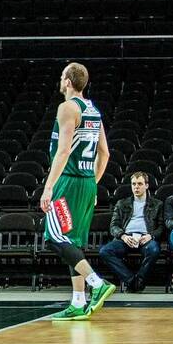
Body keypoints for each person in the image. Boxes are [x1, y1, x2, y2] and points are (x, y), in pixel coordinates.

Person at [38, 62, 115, 321]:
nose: (60, 82)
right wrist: (92, 181)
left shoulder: (67, 107)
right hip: (86, 183)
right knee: (73, 243)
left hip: (68, 181)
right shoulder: (93, 109)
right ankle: (78, 302)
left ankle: (97, 283)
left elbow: (63, 150)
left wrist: (49, 187)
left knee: (54, 237)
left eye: (62, 77)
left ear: (69, 82)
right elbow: (104, 153)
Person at [98, 172, 164, 293]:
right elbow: (113, 226)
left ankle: (139, 279)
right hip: (126, 238)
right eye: (134, 184)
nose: (136, 187)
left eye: (140, 184)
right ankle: (132, 280)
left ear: (147, 185)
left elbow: (161, 227)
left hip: (145, 238)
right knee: (105, 251)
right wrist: (123, 236)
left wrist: (151, 236)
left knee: (154, 249)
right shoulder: (122, 203)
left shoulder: (157, 204)